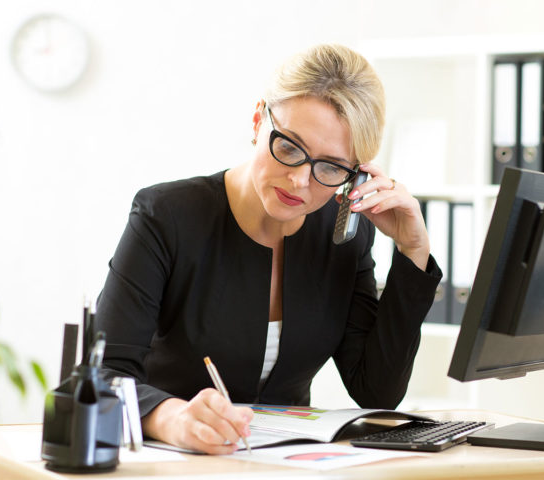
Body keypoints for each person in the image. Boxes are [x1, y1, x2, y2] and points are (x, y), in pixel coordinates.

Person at [95, 43, 442, 455]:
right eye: (290, 147)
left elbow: (376, 390)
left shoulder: (342, 236)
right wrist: (172, 419)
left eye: (330, 167)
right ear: (259, 119)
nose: (299, 180)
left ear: (355, 174)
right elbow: (104, 376)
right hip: (173, 461)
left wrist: (412, 249)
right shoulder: (166, 216)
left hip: (283, 464)